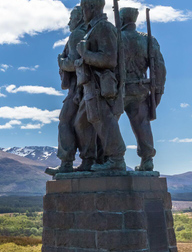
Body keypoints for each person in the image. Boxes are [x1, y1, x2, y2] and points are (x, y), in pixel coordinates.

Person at [75, 0, 127, 171]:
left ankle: (116, 158)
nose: (83, 12)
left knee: (103, 120)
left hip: (99, 86)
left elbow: (110, 59)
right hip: (89, 86)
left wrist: (85, 54)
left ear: (91, 7)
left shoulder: (103, 27)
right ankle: (88, 160)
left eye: (83, 8)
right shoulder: (92, 28)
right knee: (81, 124)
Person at [46, 6, 96, 175]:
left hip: (78, 87)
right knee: (81, 123)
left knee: (66, 121)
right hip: (84, 87)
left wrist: (61, 61)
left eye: (71, 18)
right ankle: (86, 160)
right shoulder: (88, 33)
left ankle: (68, 162)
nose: (69, 22)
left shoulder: (77, 34)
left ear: (79, 19)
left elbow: (74, 63)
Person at [120, 7, 166, 171]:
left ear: (122, 19)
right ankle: (147, 159)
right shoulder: (147, 40)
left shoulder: (117, 38)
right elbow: (159, 68)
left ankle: (110, 156)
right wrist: (158, 91)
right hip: (140, 88)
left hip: (119, 90)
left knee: (107, 122)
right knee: (142, 123)